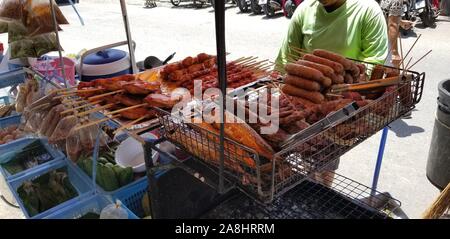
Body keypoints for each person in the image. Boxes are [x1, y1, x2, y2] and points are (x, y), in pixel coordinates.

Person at [275, 0, 389, 186]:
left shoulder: (367, 10)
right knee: (302, 150)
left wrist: (347, 80)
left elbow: (374, 60)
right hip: (301, 98)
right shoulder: (304, 9)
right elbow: (287, 57)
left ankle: (323, 188)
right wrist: (281, 81)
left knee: (327, 156)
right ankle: (311, 185)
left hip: (339, 105)